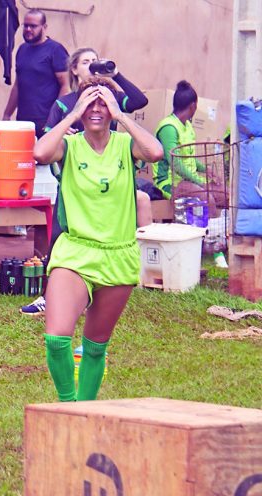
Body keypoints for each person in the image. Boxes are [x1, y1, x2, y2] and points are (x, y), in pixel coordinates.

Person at [32, 78, 163, 402]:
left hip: (117, 256)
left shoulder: (124, 145)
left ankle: (85, 411)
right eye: (89, 103)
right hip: (76, 252)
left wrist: (122, 116)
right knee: (57, 339)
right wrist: (71, 114)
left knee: (94, 347)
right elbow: (40, 151)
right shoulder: (70, 145)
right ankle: (68, 405)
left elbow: (155, 151)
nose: (96, 109)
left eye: (102, 103)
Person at [20, 47, 152, 316]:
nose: (93, 65)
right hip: (75, 174)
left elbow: (138, 101)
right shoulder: (66, 103)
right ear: (74, 69)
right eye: (87, 62)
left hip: (108, 173)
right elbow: (44, 143)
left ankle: (94, 292)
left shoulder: (110, 99)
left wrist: (116, 75)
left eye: (96, 61)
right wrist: (66, 126)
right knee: (64, 233)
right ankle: (54, 294)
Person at [153, 80, 222, 215]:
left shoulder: (187, 126)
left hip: (188, 181)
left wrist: (206, 170)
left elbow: (189, 158)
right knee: (207, 198)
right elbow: (176, 164)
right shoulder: (169, 127)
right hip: (169, 183)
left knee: (223, 193)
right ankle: (211, 235)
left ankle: (222, 231)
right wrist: (201, 183)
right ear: (192, 106)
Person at [1, 9, 69, 136]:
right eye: (25, 25)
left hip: (46, 123)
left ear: (44, 27)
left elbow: (66, 86)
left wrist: (54, 118)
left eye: (33, 26)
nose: (28, 29)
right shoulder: (22, 50)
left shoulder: (56, 50)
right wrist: (6, 115)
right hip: (23, 123)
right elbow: (18, 85)